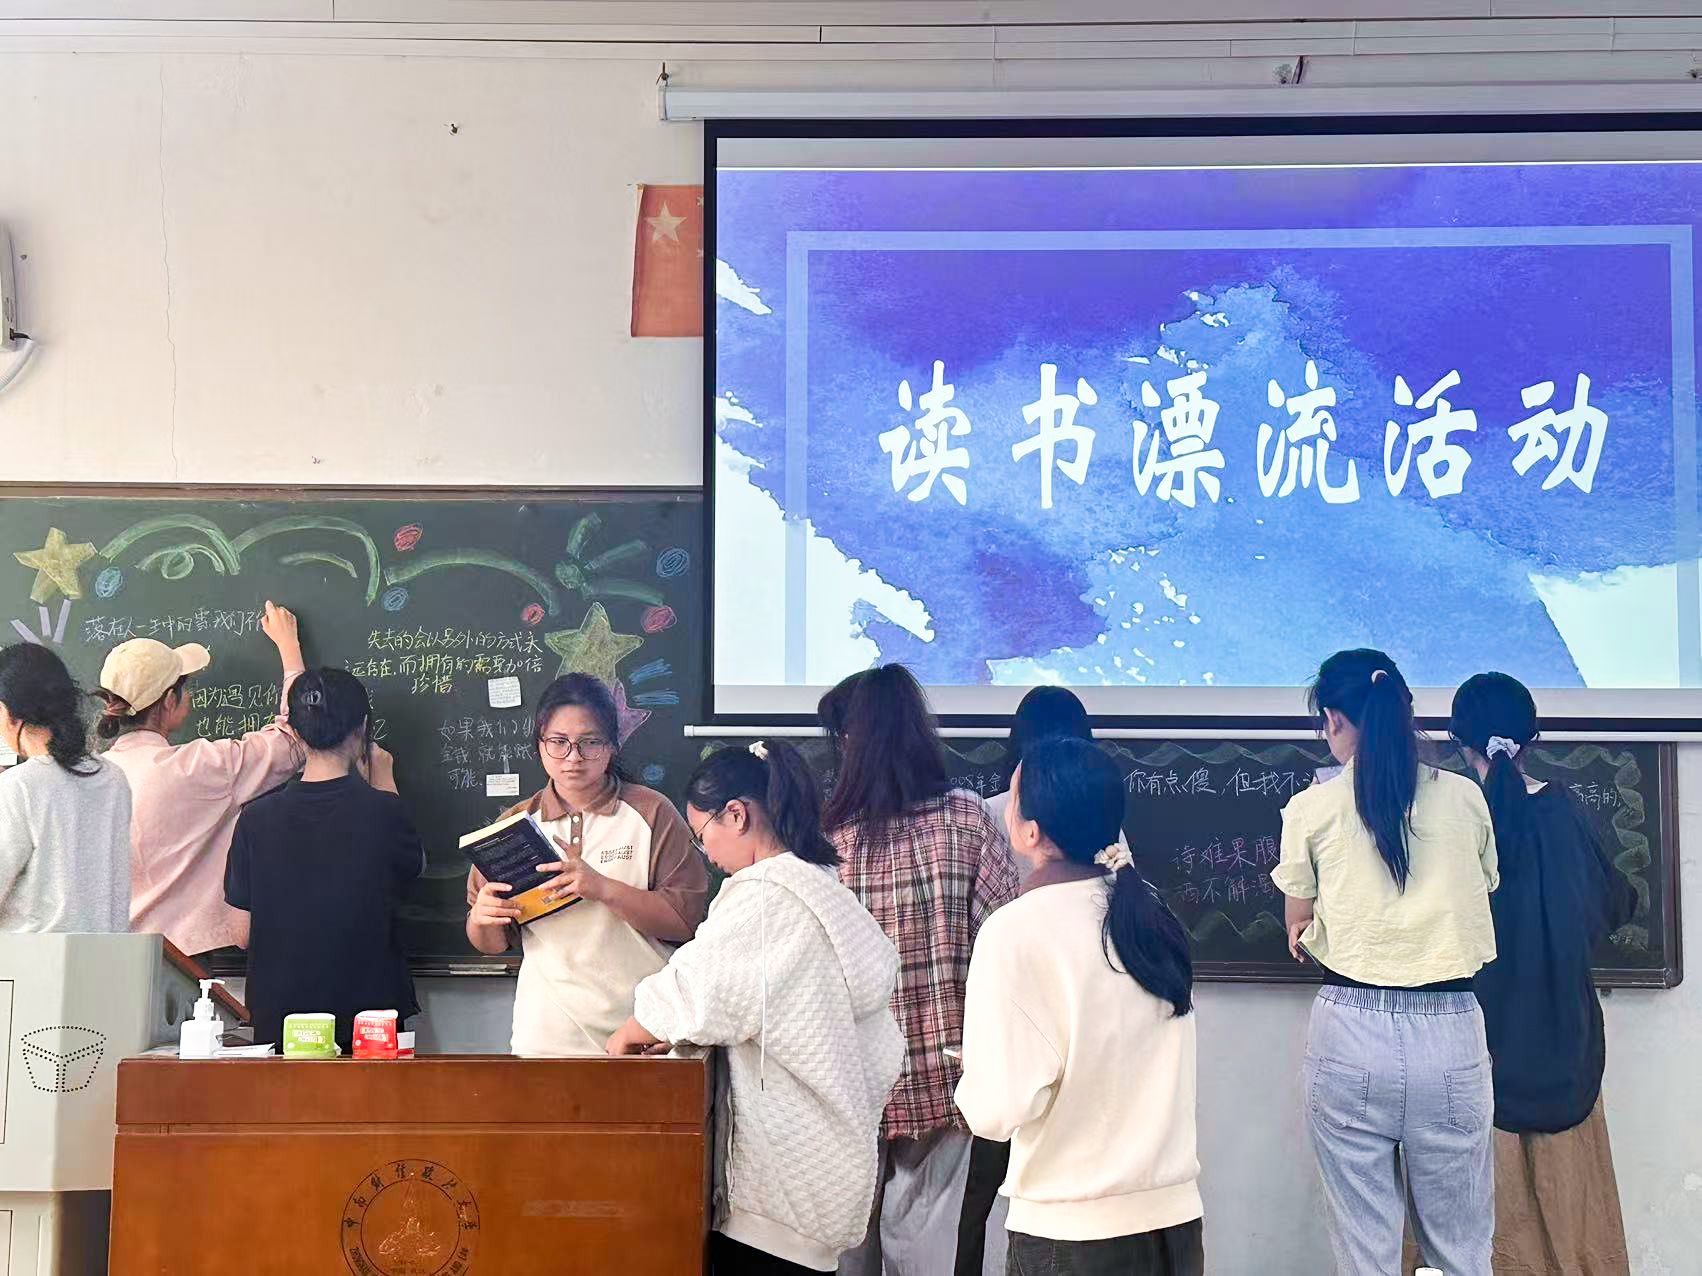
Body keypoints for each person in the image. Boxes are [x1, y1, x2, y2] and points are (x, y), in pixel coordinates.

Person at [608, 740, 904, 1275]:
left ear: (736, 815)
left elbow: (694, 988)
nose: (708, 855)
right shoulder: (820, 885)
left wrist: (631, 1031)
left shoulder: (766, 896)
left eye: (702, 836)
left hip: (781, 1183)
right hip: (826, 1162)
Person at [1273, 649, 1500, 1276]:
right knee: (1460, 1252)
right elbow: (1483, 885)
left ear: (1334, 719)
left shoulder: (1312, 808)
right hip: (1450, 1028)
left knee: (1365, 1252)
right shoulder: (1465, 798)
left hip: (1350, 1029)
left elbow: (1298, 922)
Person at [957, 737, 1202, 1276]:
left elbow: (994, 1112)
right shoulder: (1152, 915)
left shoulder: (1015, 930)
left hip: (1072, 1233)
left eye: (1013, 796)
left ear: (1029, 831)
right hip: (1176, 1225)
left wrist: (972, 1067)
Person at [818, 664, 1019, 1276]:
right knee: (933, 1255)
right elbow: (1007, 943)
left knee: (846, 1251)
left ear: (850, 742)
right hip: (949, 1077)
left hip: (847, 1081)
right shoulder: (968, 819)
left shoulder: (826, 841)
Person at [1436, 672, 1635, 1275]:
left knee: (1469, 1234)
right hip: (1565, 1050)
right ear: (1532, 741)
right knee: (1574, 1229)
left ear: (1457, 742)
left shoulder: (1447, 818)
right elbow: (1614, 904)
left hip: (1469, 1053)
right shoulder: (1566, 812)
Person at [962, 685, 1127, 1276]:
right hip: (1083, 1034)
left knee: (978, 1196)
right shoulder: (1104, 827)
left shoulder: (986, 814)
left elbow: (990, 1108)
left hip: (1004, 1025)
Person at [466, 672, 709, 1057]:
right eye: (558, 742)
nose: (573, 757)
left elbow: (687, 922)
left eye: (590, 742)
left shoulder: (651, 813)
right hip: (546, 1038)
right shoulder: (515, 826)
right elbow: (493, 944)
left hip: (641, 1031)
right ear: (540, 744)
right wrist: (481, 920)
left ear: (612, 745)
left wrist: (602, 888)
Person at [224, 668, 421, 1052]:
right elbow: (409, 873)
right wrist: (384, 778)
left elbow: (241, 934)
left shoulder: (255, 819)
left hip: (282, 1021)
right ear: (362, 728)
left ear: (295, 733)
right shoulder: (385, 811)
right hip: (370, 1025)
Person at [98, 600, 306, 957]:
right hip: (188, 962)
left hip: (106, 957)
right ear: (169, 701)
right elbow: (294, 740)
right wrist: (290, 649)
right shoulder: (199, 766)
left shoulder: (92, 779)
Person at [0, 643, 132, 933]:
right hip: (107, 955)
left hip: (30, 958)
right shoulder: (113, 778)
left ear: (9, 714)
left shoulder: (18, 787)